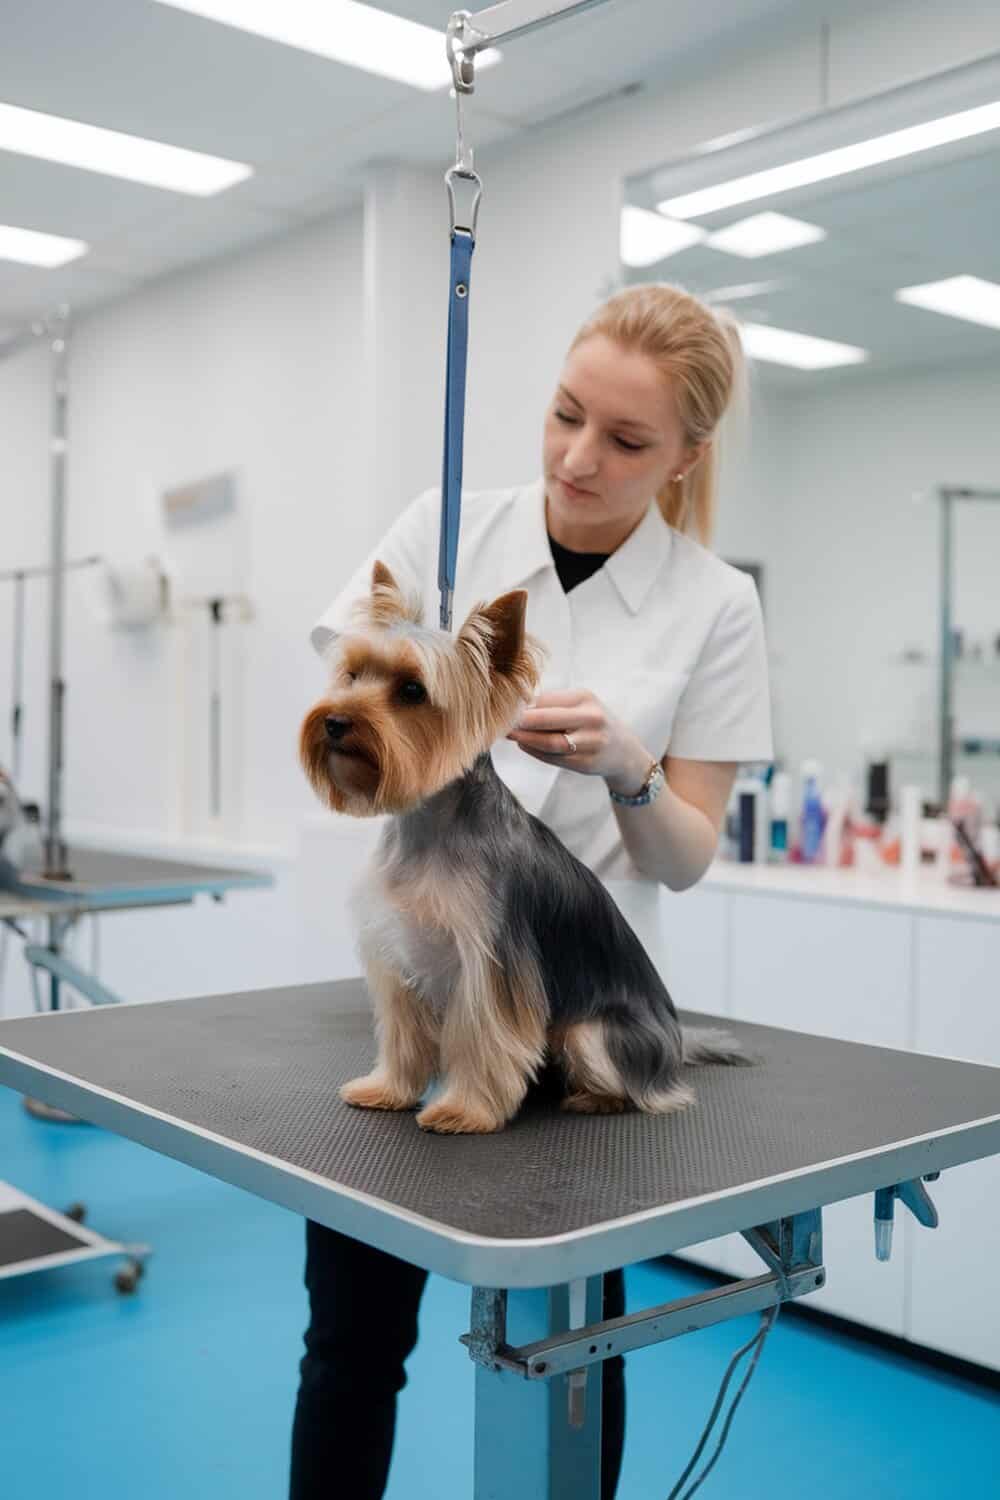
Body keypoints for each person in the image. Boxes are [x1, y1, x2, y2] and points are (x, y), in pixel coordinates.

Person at [290, 282, 774, 1499]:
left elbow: (686, 854)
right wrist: (425, 691)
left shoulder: (715, 604)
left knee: (570, 1355)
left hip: (574, 1023)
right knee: (349, 1345)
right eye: (563, 417)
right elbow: (350, 690)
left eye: (623, 441)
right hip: (424, 960)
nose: (575, 458)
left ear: (685, 458)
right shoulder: (444, 526)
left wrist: (631, 769)